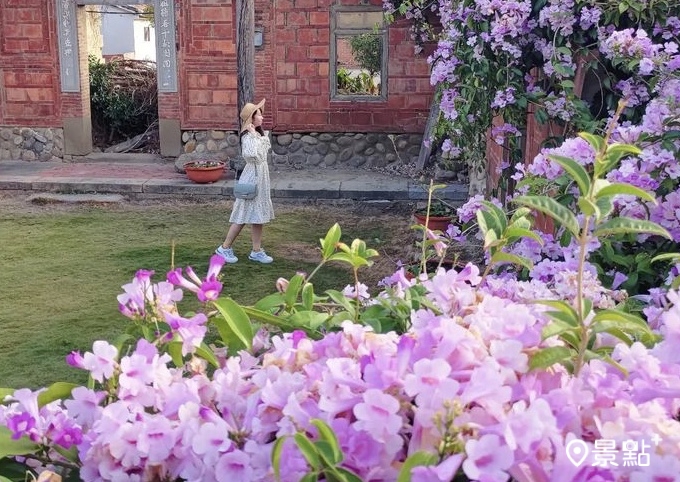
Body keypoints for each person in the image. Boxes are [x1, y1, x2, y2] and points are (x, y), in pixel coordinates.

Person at [215, 99, 275, 264]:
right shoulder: (248, 137)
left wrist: (258, 137)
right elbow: (253, 156)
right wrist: (255, 137)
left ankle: (256, 250)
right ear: (252, 119)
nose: (262, 118)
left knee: (258, 216)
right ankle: (224, 247)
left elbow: (264, 152)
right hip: (252, 176)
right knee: (242, 214)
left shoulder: (258, 135)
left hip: (261, 176)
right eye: (259, 115)